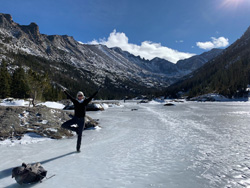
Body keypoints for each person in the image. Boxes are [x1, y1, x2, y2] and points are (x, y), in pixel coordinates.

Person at [61, 88, 100, 152]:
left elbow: (91, 97)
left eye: (81, 96)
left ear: (83, 96)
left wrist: (97, 91)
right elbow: (70, 97)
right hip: (75, 118)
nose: (80, 97)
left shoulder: (85, 102)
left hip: (82, 120)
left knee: (80, 135)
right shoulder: (75, 101)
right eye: (79, 96)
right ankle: (76, 129)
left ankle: (78, 149)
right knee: (64, 125)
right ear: (77, 96)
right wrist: (65, 91)